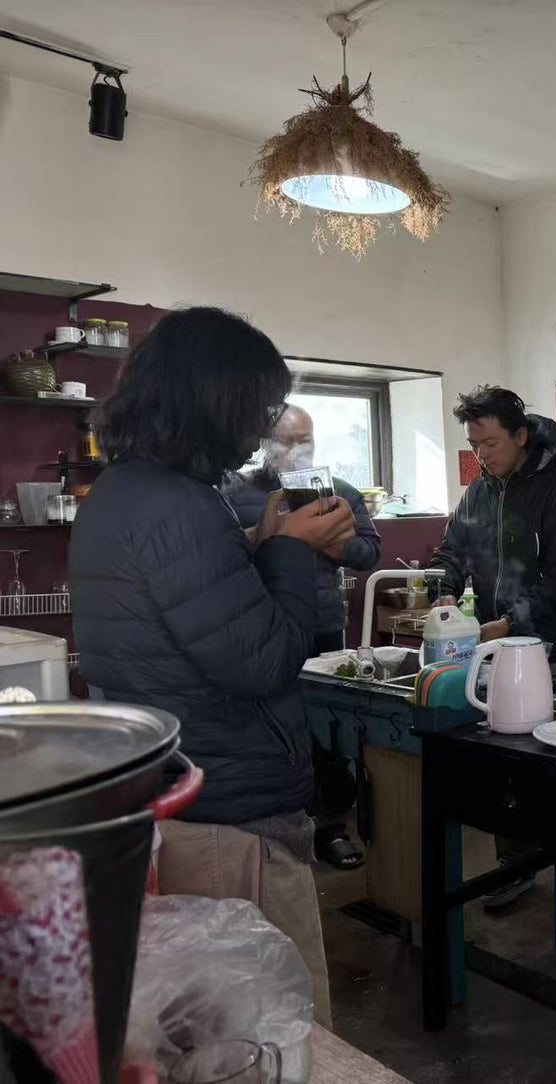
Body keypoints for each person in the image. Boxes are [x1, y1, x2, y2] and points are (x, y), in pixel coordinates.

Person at [70, 307, 357, 1028]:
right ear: (215, 398)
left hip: (189, 789)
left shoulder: (125, 491)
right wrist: (292, 550)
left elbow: (202, 627)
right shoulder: (177, 506)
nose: (260, 427)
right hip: (228, 814)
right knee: (275, 1029)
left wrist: (266, 543)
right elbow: (259, 661)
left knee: (217, 1028)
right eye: (258, 407)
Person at [431, 386, 556, 908]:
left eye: (492, 443)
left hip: (549, 651)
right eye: (475, 445)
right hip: (492, 649)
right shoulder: (479, 493)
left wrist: (509, 622)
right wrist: (446, 589)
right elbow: (453, 549)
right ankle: (514, 866)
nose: (482, 455)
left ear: (521, 436)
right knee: (506, 770)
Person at [225, 404, 382, 871]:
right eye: (288, 440)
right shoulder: (234, 492)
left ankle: (331, 827)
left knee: (324, 726)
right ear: (265, 442)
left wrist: (332, 542)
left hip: (321, 624)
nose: (299, 449)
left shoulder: (340, 492)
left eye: (306, 439)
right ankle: (277, 825)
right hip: (259, 629)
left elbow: (369, 551)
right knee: (272, 727)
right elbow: (224, 552)